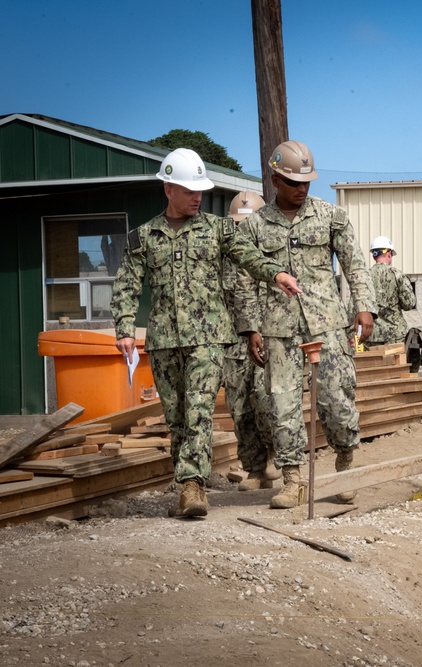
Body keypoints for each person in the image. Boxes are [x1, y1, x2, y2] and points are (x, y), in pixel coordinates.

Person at [112, 148, 301, 518]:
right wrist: (124, 328)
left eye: (201, 190)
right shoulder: (145, 237)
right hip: (165, 341)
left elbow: (249, 256)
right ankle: (186, 483)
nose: (198, 196)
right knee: (178, 418)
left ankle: (193, 487)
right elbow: (126, 285)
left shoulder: (219, 229)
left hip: (209, 338)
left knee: (198, 410)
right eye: (189, 190)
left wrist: (276, 273)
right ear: (168, 189)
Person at [233, 140, 375, 509]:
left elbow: (355, 263)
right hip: (277, 330)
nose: (302, 189)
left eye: (307, 183)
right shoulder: (255, 227)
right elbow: (244, 280)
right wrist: (250, 328)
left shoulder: (331, 216)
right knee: (282, 407)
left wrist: (365, 307)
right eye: (294, 182)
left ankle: (345, 465)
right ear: (275, 179)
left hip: (326, 325)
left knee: (337, 402)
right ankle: (293, 480)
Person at [222, 191, 280, 491]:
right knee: (239, 405)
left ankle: (274, 457)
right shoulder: (225, 255)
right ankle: (255, 469)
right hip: (233, 340)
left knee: (265, 398)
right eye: (238, 223)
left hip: (268, 336)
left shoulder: (272, 252)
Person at [366, 236, 416, 347]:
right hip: (395, 336)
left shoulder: (365, 277)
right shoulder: (397, 274)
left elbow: (355, 307)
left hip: (371, 336)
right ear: (388, 253)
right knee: (396, 364)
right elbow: (409, 304)